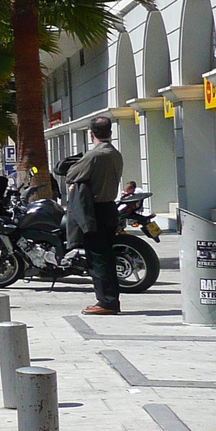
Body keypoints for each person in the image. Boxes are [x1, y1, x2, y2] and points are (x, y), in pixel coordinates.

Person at [67, 116, 125, 314]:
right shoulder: (115, 154)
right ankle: (109, 299)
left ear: (91, 134)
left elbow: (71, 175)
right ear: (110, 132)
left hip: (96, 210)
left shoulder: (94, 155)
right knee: (106, 256)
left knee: (98, 257)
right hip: (109, 207)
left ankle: (106, 302)